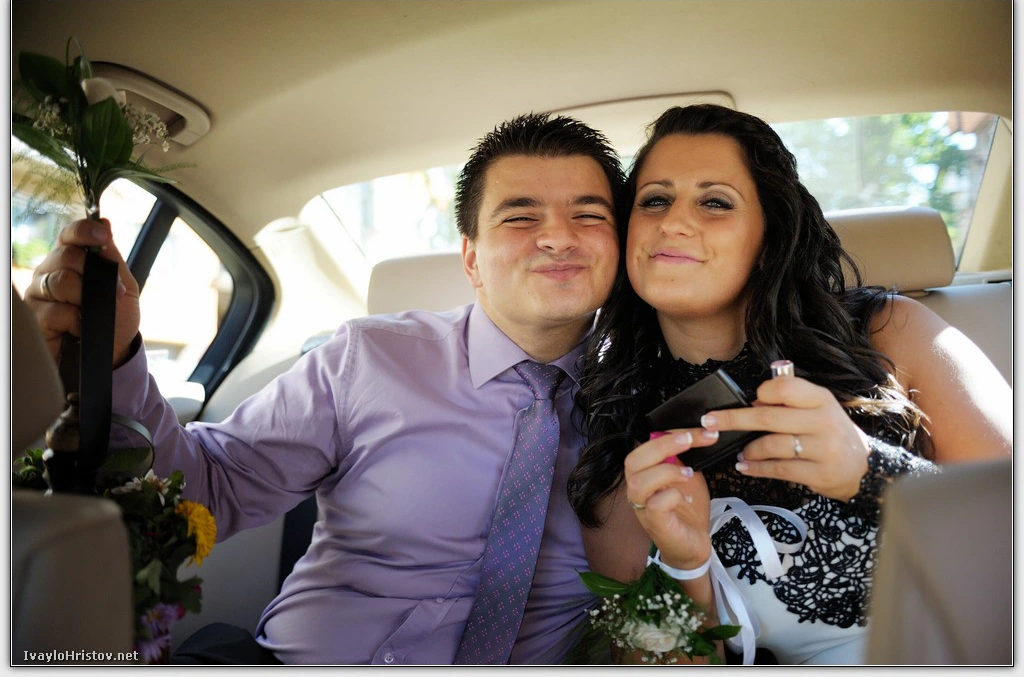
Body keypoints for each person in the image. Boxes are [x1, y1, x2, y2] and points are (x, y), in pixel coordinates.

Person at [24, 112, 624, 665]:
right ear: (471, 259)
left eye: (590, 215)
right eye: (520, 216)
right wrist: (114, 357)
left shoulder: (640, 402)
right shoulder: (368, 360)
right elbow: (208, 489)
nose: (559, 237)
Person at [566, 104, 1012, 665]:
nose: (672, 222)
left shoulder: (891, 334)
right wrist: (685, 568)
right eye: (654, 200)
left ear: (770, 235)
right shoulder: (617, 443)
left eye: (715, 202)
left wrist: (872, 473)